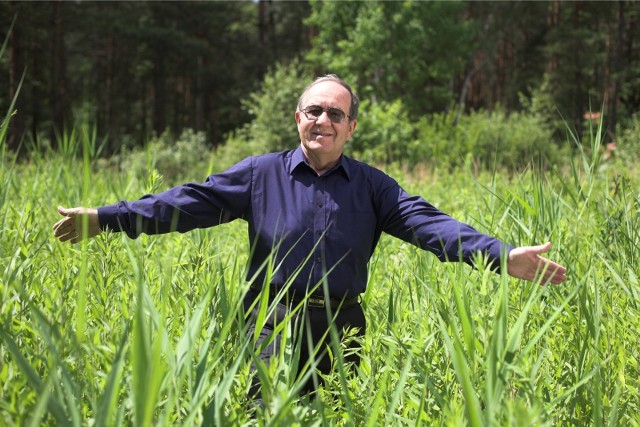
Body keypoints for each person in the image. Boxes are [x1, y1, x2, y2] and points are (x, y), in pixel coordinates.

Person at [53, 74, 567, 405]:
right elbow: (187, 203)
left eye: (335, 114)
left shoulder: (373, 187)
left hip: (342, 329)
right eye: (313, 111)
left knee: (337, 417)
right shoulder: (259, 175)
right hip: (269, 325)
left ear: (351, 128)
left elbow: (430, 225)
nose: (323, 120)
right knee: (262, 416)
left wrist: (500, 255)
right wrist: (106, 217)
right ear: (298, 118)